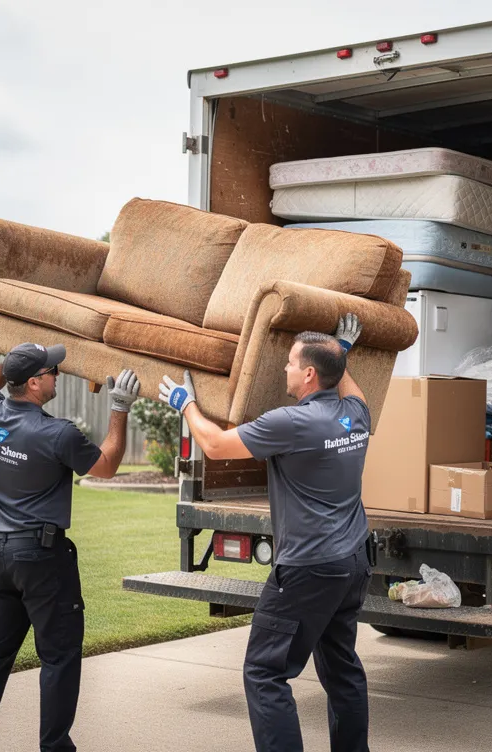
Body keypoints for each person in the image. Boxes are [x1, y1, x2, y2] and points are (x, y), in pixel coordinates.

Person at [159, 314, 373, 752]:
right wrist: (341, 352)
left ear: (309, 374)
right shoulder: (356, 414)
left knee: (264, 671)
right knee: (342, 670)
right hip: (352, 562)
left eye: (292, 363)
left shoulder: (293, 423)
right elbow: (346, 383)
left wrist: (186, 405)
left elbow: (216, 446)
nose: (284, 368)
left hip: (308, 568)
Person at [0, 342, 140, 752]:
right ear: (34, 383)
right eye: (52, 371)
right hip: (41, 562)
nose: (59, 374)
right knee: (58, 657)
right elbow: (107, 465)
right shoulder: (57, 434)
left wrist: (15, 358)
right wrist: (120, 408)